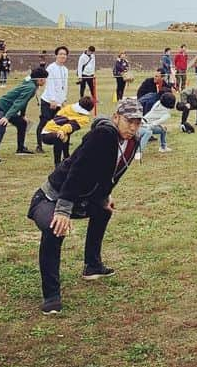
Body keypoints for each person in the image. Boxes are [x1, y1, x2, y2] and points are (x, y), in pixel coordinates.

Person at [27, 98, 144, 314]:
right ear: (116, 117)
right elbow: (77, 171)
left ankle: (92, 266)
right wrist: (62, 210)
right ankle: (51, 295)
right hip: (50, 198)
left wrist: (104, 196)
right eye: (129, 121)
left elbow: (111, 173)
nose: (134, 127)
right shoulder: (103, 136)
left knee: (104, 210)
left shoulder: (132, 140)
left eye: (138, 122)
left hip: (82, 200)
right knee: (55, 228)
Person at [0, 68, 48, 162]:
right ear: (40, 79)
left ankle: (20, 149)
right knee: (2, 124)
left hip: (7, 111)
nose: (45, 81)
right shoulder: (31, 87)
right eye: (45, 79)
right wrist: (7, 117)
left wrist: (23, 115)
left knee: (22, 123)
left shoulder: (32, 84)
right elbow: (19, 103)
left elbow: (24, 101)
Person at [39, 96, 93, 166]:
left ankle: (66, 157)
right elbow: (70, 125)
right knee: (60, 136)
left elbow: (57, 116)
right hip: (48, 134)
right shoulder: (84, 119)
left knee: (66, 134)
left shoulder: (69, 107)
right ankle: (57, 164)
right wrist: (62, 131)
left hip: (46, 130)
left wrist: (63, 130)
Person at [37, 46, 70, 155]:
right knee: (45, 122)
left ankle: (60, 143)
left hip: (59, 102)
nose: (62, 56)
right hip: (48, 101)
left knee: (60, 123)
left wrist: (64, 100)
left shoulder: (65, 70)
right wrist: (52, 100)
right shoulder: (51, 68)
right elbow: (50, 84)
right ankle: (39, 145)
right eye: (60, 54)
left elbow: (64, 86)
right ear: (56, 55)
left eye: (64, 54)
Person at [139, 91, 176, 157]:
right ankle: (139, 152)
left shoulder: (158, 103)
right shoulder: (167, 115)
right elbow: (154, 123)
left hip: (142, 121)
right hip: (144, 125)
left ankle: (163, 147)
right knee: (149, 132)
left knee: (163, 130)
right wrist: (147, 128)